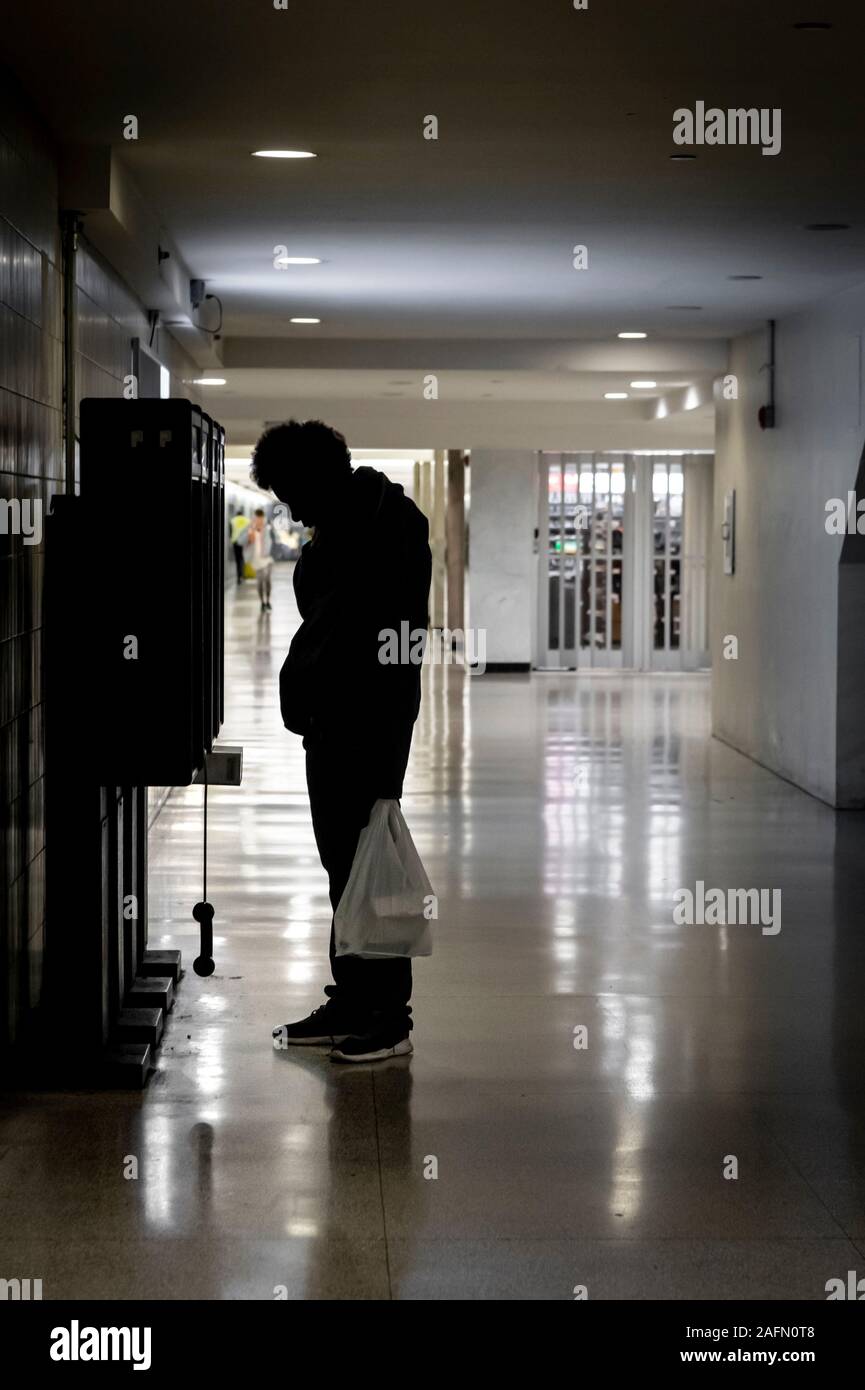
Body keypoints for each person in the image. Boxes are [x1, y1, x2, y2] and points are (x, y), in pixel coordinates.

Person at [250, 419, 431, 1062]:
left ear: (320, 476)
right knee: (344, 869)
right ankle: (355, 996)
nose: (291, 510)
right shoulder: (346, 523)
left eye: (292, 492)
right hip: (336, 724)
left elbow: (375, 637)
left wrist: (380, 732)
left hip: (370, 725)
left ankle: (388, 1017)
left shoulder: (387, 526)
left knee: (366, 868)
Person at [244, 508, 275, 611]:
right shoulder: (251, 528)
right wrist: (250, 533)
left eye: (260, 518)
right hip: (257, 560)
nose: (259, 520)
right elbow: (246, 542)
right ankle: (262, 602)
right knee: (260, 582)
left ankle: (268, 601)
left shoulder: (267, 528)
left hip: (267, 559)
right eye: (257, 518)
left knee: (267, 581)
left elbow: (271, 541)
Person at [230, 509, 249, 584]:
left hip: (236, 542)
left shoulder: (233, 520)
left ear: (237, 514)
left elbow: (230, 532)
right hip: (244, 542)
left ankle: (238, 577)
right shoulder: (247, 520)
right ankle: (243, 575)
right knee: (244, 558)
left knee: (238, 560)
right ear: (242, 514)